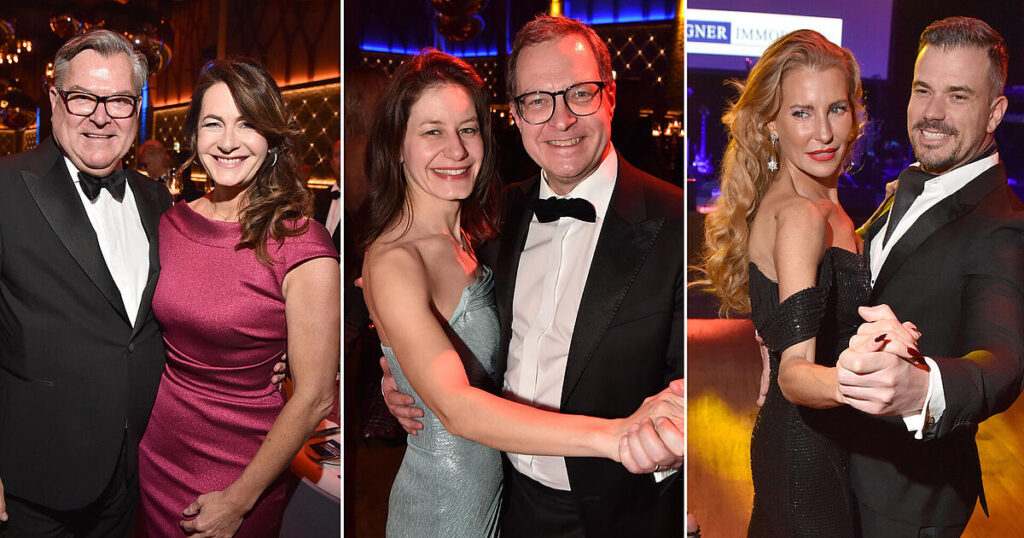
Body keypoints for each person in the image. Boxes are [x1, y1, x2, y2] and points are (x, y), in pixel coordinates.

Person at [383, 16, 685, 537]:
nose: (561, 120)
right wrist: (402, 378)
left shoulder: (679, 226)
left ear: (610, 97)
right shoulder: (491, 219)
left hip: (625, 510)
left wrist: (675, 431)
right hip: (506, 500)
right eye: (538, 101)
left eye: (580, 94)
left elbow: (702, 385)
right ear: (517, 115)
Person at [834, 17, 1024, 536]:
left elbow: (1004, 360)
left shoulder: (1004, 226)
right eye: (923, 90)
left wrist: (923, 389)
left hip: (907, 498)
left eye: (958, 96)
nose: (933, 112)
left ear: (995, 112)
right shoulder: (911, 183)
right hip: (841, 464)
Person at [137, 58, 339, 537]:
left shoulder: (300, 244)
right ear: (194, 135)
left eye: (247, 124)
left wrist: (238, 500)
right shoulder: (169, 224)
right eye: (213, 123)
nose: (228, 141)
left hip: (243, 470)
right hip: (157, 450)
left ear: (270, 138)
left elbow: (315, 396)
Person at [696, 29, 873, 536]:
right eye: (801, 113)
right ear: (771, 123)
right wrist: (881, 383)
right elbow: (794, 376)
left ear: (855, 113)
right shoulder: (800, 215)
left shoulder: (818, 204)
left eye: (836, 109)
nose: (824, 133)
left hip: (824, 439)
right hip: (807, 449)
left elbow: (793, 316)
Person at [0, 29, 172, 537]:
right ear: (56, 101)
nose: (101, 116)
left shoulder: (156, 200)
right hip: (34, 481)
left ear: (136, 109)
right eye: (83, 98)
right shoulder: (6, 188)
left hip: (133, 473)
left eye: (119, 100)